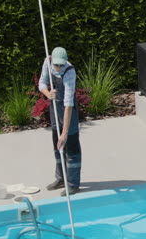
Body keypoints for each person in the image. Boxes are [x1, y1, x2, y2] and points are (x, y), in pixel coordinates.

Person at [38, 47, 81, 196]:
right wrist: (48, 94)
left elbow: (68, 103)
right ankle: (61, 178)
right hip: (55, 107)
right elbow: (42, 83)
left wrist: (65, 132)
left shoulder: (70, 72)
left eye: (61, 65)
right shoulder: (47, 62)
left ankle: (73, 184)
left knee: (71, 147)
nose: (59, 68)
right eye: (57, 65)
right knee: (57, 146)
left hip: (69, 111)